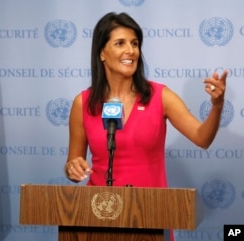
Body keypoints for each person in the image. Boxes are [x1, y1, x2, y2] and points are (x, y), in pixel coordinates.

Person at [65, 12, 228, 187]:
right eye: (120, 43)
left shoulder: (160, 96)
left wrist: (217, 105)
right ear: (101, 53)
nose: (131, 50)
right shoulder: (83, 103)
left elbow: (202, 138)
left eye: (134, 44)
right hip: (101, 207)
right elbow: (74, 170)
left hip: (149, 208)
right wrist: (72, 168)